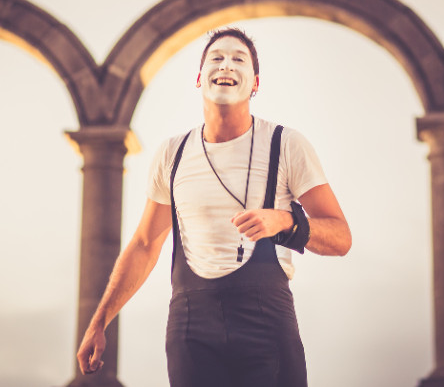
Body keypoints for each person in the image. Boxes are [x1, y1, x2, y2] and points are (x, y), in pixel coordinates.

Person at [76, 28, 352, 387]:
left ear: (255, 83)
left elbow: (341, 237)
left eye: (239, 59)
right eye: (216, 58)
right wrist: (99, 322)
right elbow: (145, 244)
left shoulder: (286, 145)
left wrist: (285, 221)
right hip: (191, 328)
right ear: (199, 78)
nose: (227, 64)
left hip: (267, 324)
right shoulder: (171, 154)